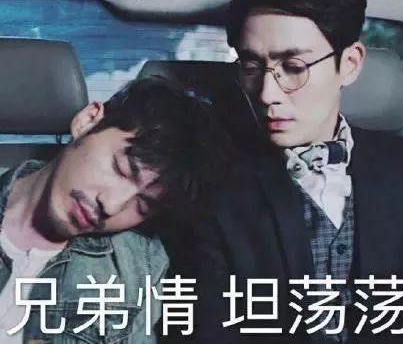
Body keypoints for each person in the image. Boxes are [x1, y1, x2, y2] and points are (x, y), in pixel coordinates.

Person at [190, 0, 403, 344]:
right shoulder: (215, 186)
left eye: (294, 67)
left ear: (349, 64)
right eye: (251, 66)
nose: (267, 93)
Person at [0, 76, 231, 343]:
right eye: (121, 170)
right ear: (88, 122)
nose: (111, 205)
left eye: (143, 205)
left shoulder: (137, 268)